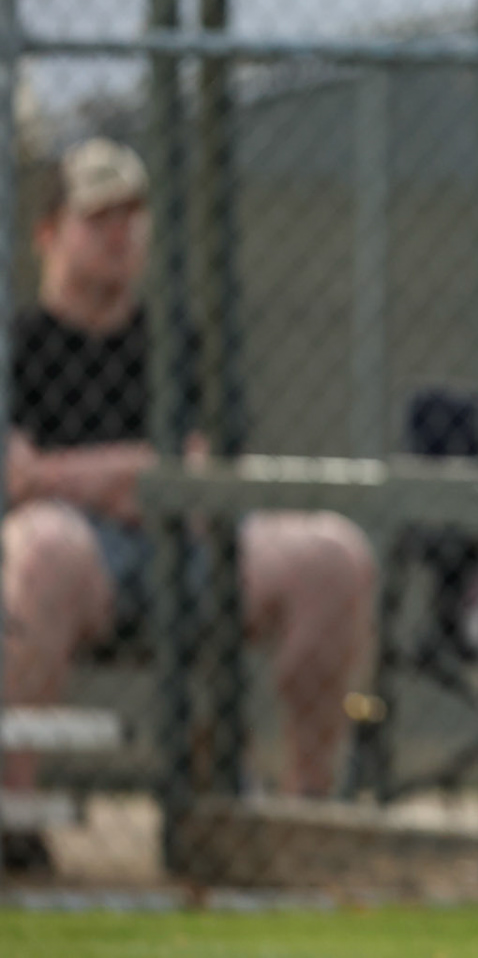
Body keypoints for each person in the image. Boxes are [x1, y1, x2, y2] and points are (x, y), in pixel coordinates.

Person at [2, 139, 375, 870]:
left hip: (191, 543)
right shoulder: (20, 343)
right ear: (48, 233)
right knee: (43, 545)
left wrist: (74, 473)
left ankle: (305, 814)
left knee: (334, 555)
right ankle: (13, 814)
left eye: (133, 216)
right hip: (77, 559)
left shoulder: (178, 342)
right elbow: (17, 482)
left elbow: (209, 472)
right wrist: (138, 472)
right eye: (98, 217)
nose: (121, 234)